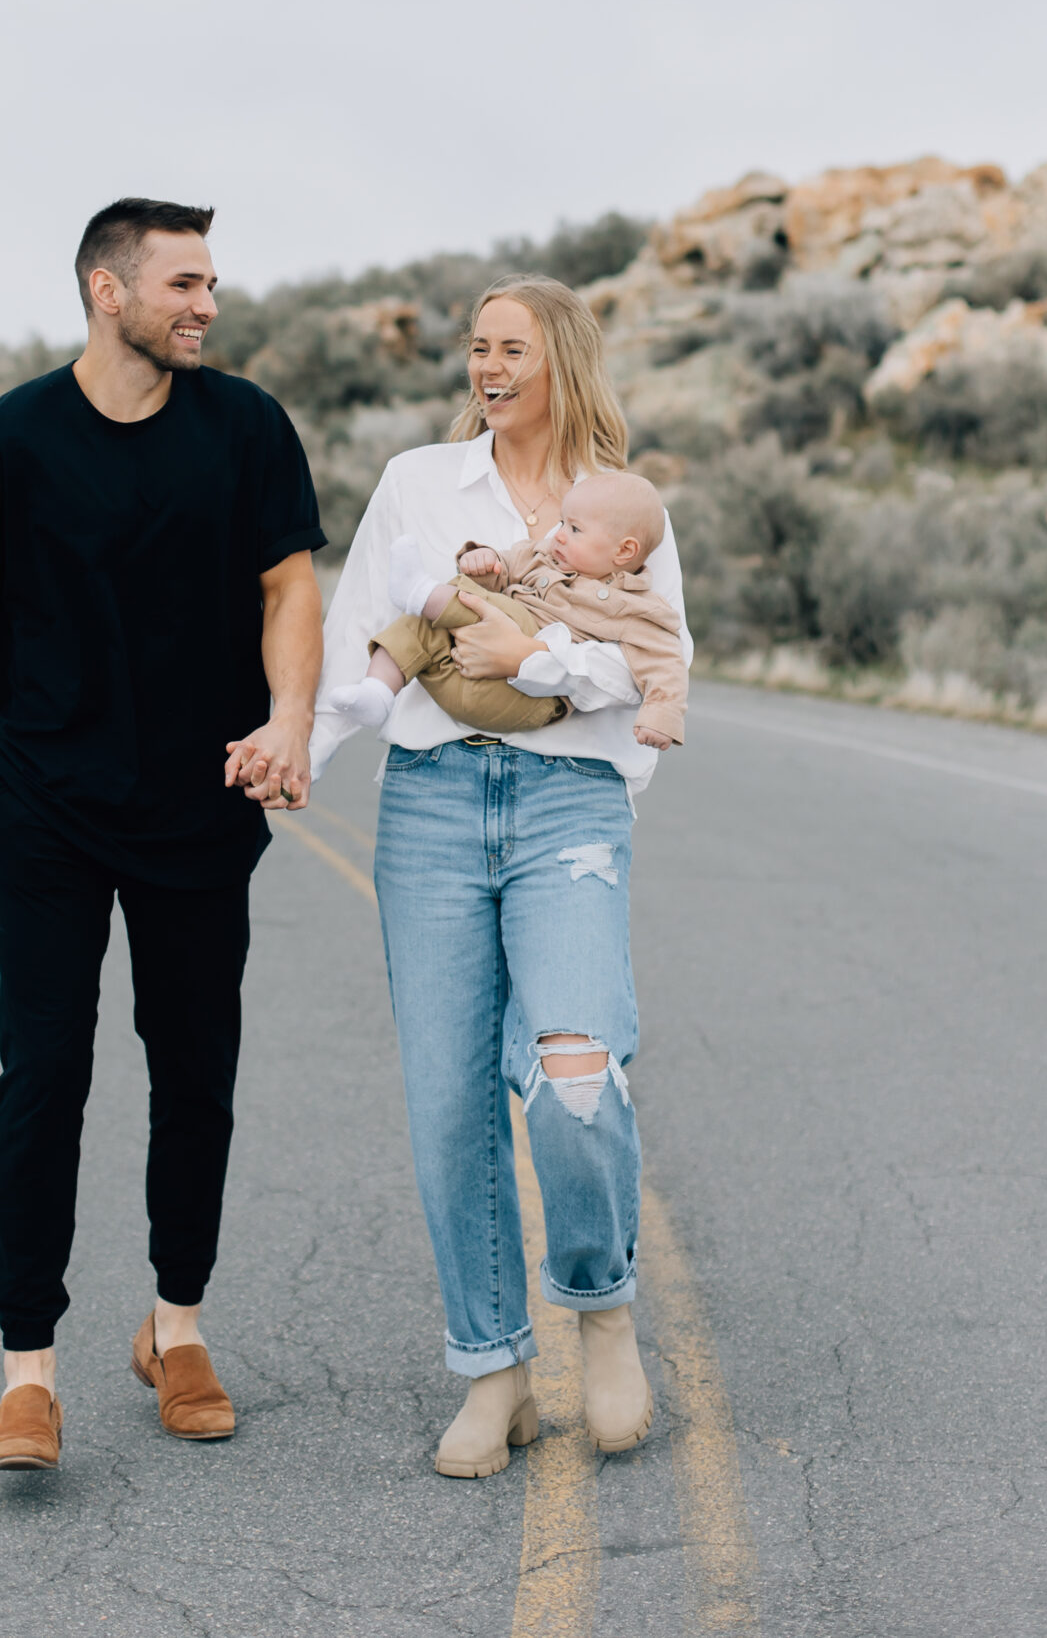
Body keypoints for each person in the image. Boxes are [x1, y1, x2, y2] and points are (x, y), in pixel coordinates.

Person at [0, 198, 325, 1472]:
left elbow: (287, 586)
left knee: (193, 1067)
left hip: (202, 805)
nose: (206, 305)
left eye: (212, 285)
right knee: (43, 1074)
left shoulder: (247, 427)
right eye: (185, 284)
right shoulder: (0, 446)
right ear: (109, 291)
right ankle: (26, 1372)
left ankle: (177, 1326)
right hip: (44, 809)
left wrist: (290, 719)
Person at [311, 275, 690, 1479]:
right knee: (447, 1104)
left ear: (560, 360)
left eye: (508, 347)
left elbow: (655, 660)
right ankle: (491, 1370)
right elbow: (361, 635)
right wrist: (297, 759)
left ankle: (602, 1308)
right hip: (427, 801)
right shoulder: (420, 484)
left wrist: (542, 662)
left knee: (574, 1073)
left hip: (566, 806)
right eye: (475, 348)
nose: (484, 365)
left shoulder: (622, 506)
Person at [325, 468, 688, 748]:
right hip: (457, 683)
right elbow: (502, 566)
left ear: (623, 551)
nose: (558, 533)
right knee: (422, 625)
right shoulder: (541, 557)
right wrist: (484, 560)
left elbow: (666, 664)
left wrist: (660, 718)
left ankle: (421, 591)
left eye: (575, 529)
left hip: (525, 699)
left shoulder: (638, 609)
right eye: (561, 522)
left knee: (493, 610)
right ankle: (377, 692)